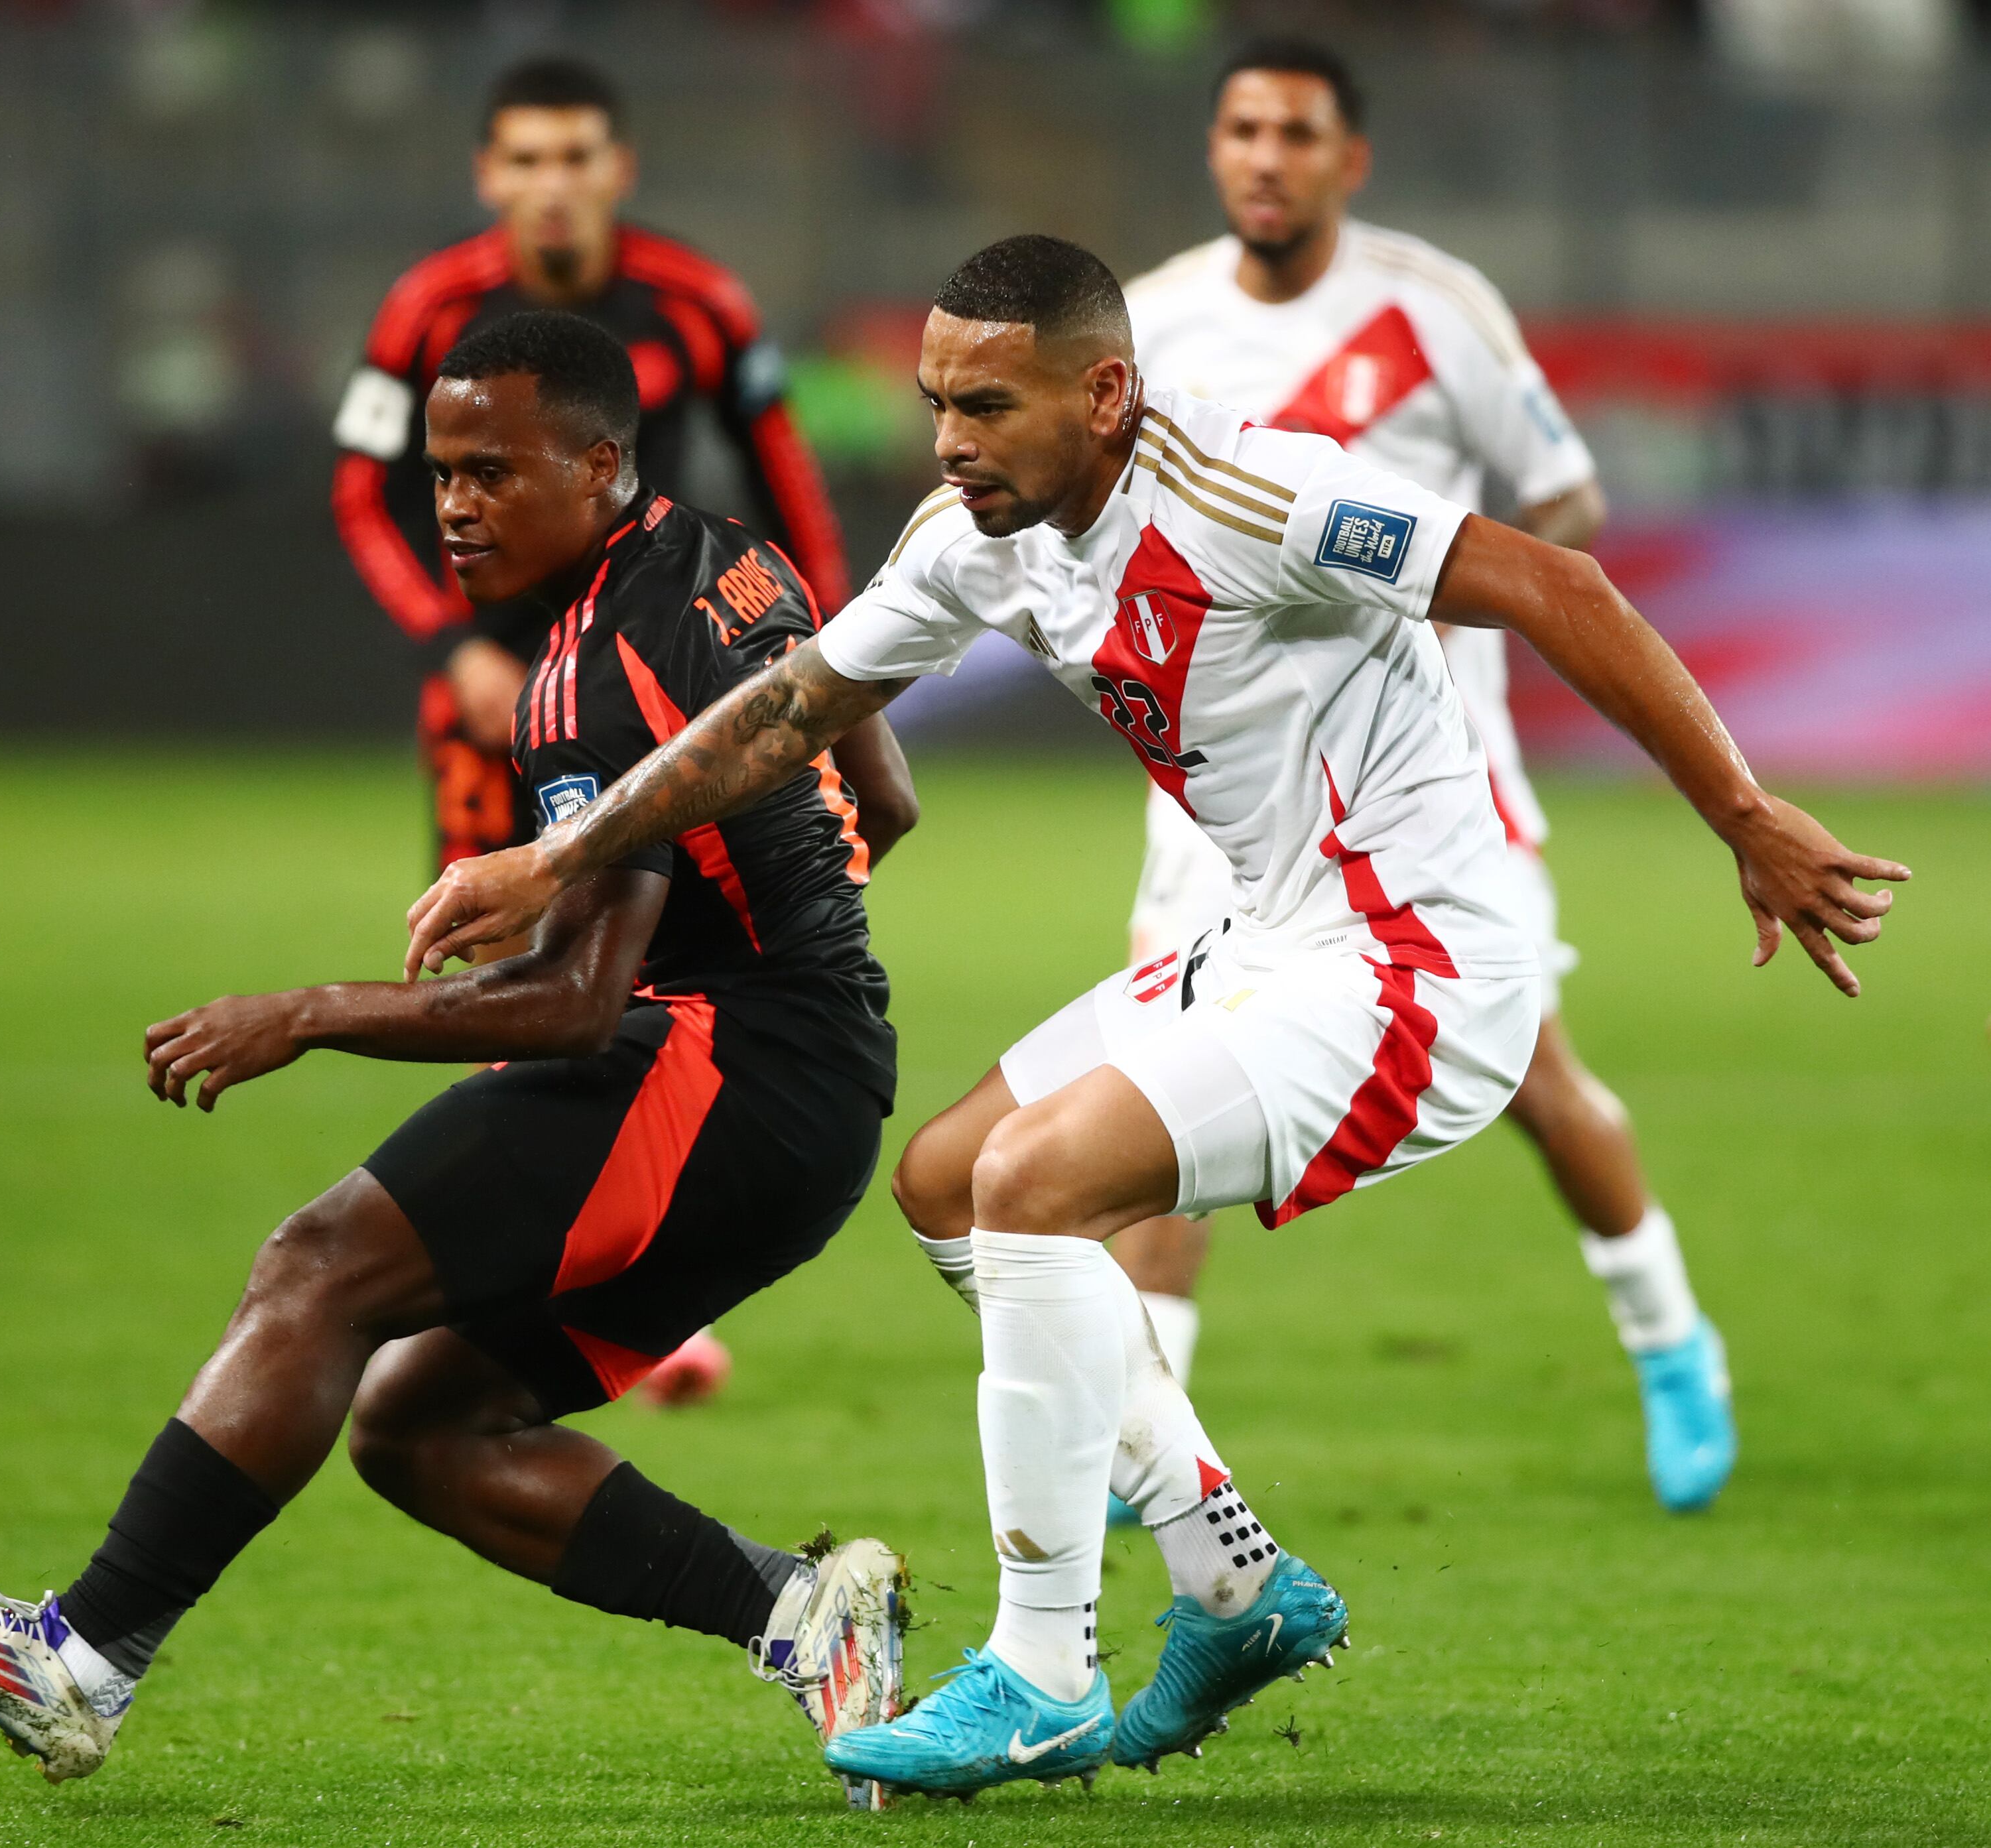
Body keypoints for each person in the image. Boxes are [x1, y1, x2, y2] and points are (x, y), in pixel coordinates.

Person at [403, 237, 1905, 1798]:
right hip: (1265, 939)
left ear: (1105, 393)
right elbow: (792, 712)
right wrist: (569, 850)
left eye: (986, 404)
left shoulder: (1256, 495)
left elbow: (1552, 580)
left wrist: (1741, 812)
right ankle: (1233, 1586)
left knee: (1036, 1188)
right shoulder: (974, 537)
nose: (949, 440)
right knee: (949, 1181)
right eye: (933, 404)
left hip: (1415, 969)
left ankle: (1043, 1667)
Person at [0, 312, 921, 1804]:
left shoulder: (581, 678)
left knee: (316, 1267)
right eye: (440, 472)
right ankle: (794, 1611)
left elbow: (566, 1004)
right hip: (809, 1090)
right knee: (421, 1423)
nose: (455, 504)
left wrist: (302, 1011)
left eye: (493, 470)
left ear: (601, 463)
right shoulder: (730, 556)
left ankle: (81, 1654)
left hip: (717, 1071)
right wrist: (776, 921)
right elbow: (881, 794)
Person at [1100, 38, 1733, 1516]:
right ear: (1213, 149)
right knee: (1163, 1096)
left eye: (1295, 132)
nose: (1265, 155)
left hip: (1431, 772)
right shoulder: (1152, 320)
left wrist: (1403, 577)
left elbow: (1559, 505)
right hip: (1223, 788)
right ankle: (1154, 1458)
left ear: (1345, 158)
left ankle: (1665, 1339)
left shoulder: (1436, 311)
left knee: (1529, 1071)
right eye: (1241, 128)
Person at [332, 55, 851, 880]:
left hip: (666, 686)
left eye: (575, 158)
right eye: (527, 161)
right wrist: (454, 651)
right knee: (489, 959)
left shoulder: (699, 301)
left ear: (620, 170)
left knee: (678, 954)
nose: (553, 187)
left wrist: (830, 650)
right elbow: (361, 499)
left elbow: (786, 482)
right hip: (491, 689)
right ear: (487, 176)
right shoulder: (427, 311)